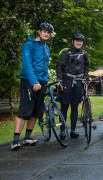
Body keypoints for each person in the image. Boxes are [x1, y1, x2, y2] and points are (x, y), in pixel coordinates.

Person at [11, 21, 54, 151]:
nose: (46, 34)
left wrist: (45, 81)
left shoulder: (46, 48)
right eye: (44, 31)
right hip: (29, 81)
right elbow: (27, 65)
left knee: (36, 111)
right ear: (39, 32)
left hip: (42, 82)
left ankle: (28, 137)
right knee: (25, 110)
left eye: (48, 32)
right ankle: (15, 140)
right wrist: (34, 81)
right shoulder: (28, 45)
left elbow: (45, 66)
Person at [56, 33, 89, 139]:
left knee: (75, 107)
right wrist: (60, 79)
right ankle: (62, 131)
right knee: (64, 107)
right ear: (73, 41)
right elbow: (59, 66)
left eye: (81, 41)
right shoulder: (66, 52)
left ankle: (73, 130)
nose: (79, 42)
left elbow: (87, 66)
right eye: (77, 40)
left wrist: (85, 77)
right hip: (67, 81)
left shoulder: (84, 53)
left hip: (79, 82)